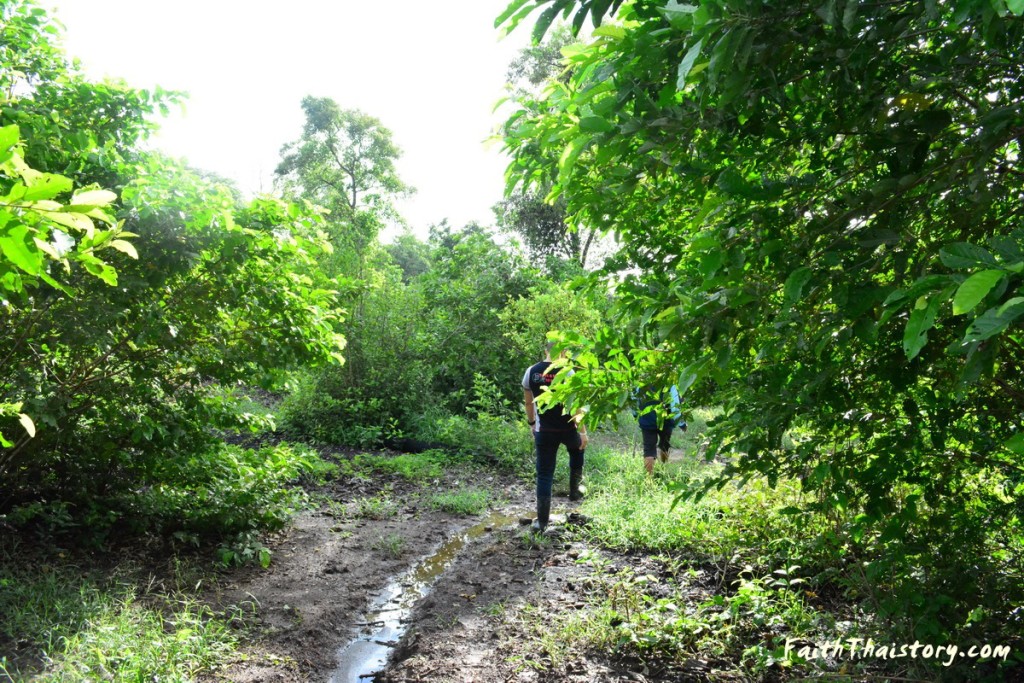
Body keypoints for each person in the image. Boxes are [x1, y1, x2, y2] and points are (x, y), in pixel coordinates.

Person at [522, 341, 587, 532]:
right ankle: (575, 491)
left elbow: (528, 403)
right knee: (577, 449)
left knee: (544, 474)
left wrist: (532, 424)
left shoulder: (531, 372)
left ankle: (541, 523)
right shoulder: (567, 372)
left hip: (544, 432)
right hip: (568, 430)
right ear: (564, 352)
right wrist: (583, 432)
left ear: (546, 351)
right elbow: (577, 406)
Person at [636, 383, 686, 475]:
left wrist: (636, 415)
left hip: (647, 420)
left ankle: (649, 479)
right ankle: (663, 466)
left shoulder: (640, 383)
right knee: (665, 445)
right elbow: (675, 407)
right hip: (665, 421)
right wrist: (682, 423)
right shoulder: (669, 384)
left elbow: (635, 401)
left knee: (649, 450)